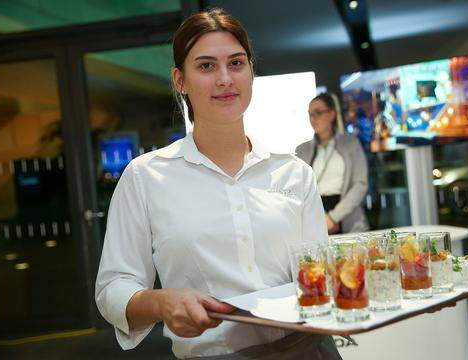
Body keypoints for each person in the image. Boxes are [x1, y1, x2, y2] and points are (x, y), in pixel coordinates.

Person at [95, 8, 341, 359]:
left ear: (251, 72)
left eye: (237, 63)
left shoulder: (294, 173)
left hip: (308, 350)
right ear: (180, 80)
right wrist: (161, 302)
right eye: (206, 66)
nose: (225, 78)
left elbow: (321, 275)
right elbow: (113, 287)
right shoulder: (145, 176)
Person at [296, 93, 369, 234]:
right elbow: (299, 190)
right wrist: (320, 219)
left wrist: (333, 218)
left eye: (318, 112)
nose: (313, 118)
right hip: (314, 218)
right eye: (310, 114)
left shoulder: (350, 143)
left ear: (332, 114)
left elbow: (360, 184)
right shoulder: (302, 150)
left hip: (347, 218)